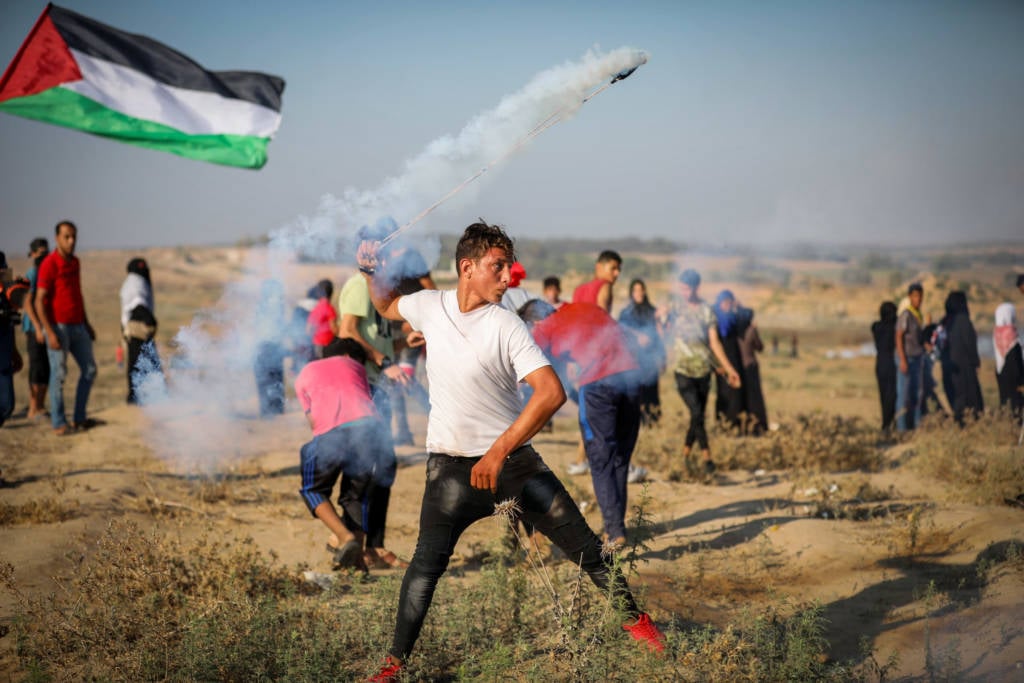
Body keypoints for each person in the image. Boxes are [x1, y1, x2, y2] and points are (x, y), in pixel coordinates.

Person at [357, 222, 665, 681]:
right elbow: (384, 304)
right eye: (497, 267)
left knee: (588, 553)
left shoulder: (505, 323)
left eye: (507, 267)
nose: (508, 278)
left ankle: (650, 638)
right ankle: (392, 666)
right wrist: (368, 271)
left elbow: (550, 393)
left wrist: (499, 451)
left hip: (514, 465)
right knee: (425, 568)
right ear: (467, 268)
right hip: (448, 470)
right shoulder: (430, 306)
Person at [525, 300, 643, 546]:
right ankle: (617, 528)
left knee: (600, 460)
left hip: (599, 385)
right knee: (620, 457)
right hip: (632, 378)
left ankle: (614, 531)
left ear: (533, 321)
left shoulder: (543, 328)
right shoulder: (586, 307)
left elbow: (531, 369)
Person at [337, 221, 414, 568]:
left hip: (378, 386)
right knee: (364, 468)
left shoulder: (381, 290)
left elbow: (381, 336)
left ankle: (372, 546)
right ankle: (355, 545)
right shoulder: (358, 285)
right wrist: (385, 362)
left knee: (382, 465)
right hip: (362, 386)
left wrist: (402, 344)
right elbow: (347, 332)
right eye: (386, 246)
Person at [295, 337, 397, 571]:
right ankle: (357, 565)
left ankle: (345, 537)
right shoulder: (358, 368)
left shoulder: (306, 372)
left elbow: (314, 422)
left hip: (332, 435)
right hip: (369, 433)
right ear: (352, 358)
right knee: (355, 496)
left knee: (313, 490)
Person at [664, 269, 741, 477]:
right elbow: (665, 334)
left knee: (696, 416)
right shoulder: (675, 308)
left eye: (687, 288)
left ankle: (686, 455)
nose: (684, 291)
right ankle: (707, 458)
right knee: (697, 413)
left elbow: (714, 343)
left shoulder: (707, 311)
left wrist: (729, 369)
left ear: (696, 288)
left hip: (703, 370)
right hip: (682, 370)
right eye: (681, 287)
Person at [35, 221, 97, 435]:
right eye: (66, 237)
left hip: (78, 325)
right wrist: (49, 331)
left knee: (89, 369)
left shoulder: (75, 263)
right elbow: (39, 300)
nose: (71, 241)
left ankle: (79, 418)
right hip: (58, 327)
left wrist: (87, 323)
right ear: (57, 238)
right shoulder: (49, 264)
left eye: (73, 237)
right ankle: (59, 422)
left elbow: (77, 294)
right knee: (59, 375)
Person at [618, 278, 665, 426]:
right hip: (633, 360)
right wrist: (638, 336)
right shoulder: (625, 313)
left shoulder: (652, 311)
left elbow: (660, 336)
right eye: (635, 290)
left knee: (651, 394)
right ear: (631, 293)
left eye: (641, 290)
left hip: (650, 360)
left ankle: (652, 425)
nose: (639, 293)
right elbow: (621, 331)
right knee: (635, 395)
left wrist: (662, 357)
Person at [119, 258, 161, 405]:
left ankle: (138, 395)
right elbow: (138, 304)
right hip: (138, 328)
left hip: (131, 328)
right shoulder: (137, 282)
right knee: (144, 362)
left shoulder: (129, 282)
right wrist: (151, 320)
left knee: (136, 361)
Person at [942, 291, 983, 426]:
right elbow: (970, 343)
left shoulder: (945, 321)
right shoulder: (963, 320)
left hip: (948, 366)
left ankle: (959, 423)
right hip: (963, 366)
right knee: (970, 398)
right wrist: (975, 361)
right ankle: (969, 424)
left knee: (956, 396)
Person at [22, 238, 50, 419]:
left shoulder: (46, 272)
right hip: (33, 328)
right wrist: (38, 327)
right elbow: (27, 303)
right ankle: (33, 408)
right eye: (40, 253)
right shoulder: (32, 273)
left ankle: (41, 406)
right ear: (32, 254)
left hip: (47, 327)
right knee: (36, 367)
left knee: (47, 368)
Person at [253, 279, 287, 417]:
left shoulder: (269, 306)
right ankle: (272, 409)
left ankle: (271, 409)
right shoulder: (274, 306)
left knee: (271, 378)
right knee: (271, 378)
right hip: (269, 346)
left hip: (268, 346)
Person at [895, 283, 926, 432]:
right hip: (907, 359)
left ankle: (916, 428)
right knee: (903, 396)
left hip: (917, 358)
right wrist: (902, 359)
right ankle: (901, 430)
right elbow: (899, 336)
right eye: (915, 296)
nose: (918, 299)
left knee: (917, 395)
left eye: (920, 296)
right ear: (909, 297)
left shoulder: (918, 315)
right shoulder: (906, 315)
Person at [712, 290, 745, 431]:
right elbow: (713, 345)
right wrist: (717, 365)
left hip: (735, 360)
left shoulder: (734, 319)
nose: (727, 305)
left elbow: (749, 314)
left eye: (729, 302)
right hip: (721, 363)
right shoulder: (715, 321)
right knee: (723, 393)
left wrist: (739, 306)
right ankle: (722, 424)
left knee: (736, 394)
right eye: (724, 302)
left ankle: (735, 425)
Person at [0, 251, 25, 427]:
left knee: (6, 405)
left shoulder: (6, 281)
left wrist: (14, 350)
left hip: (4, 343)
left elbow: (10, 318)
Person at [735, 303, 768, 435]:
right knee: (755, 398)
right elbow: (760, 347)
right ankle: (757, 427)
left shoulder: (736, 330)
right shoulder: (751, 330)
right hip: (751, 366)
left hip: (738, 367)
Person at [871, 302, 898, 432]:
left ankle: (886, 423)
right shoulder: (892, 328)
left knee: (883, 395)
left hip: (879, 364)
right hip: (890, 363)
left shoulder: (876, 327)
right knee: (891, 395)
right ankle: (888, 423)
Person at [993, 302, 1023, 416]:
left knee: (1006, 403)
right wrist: (1020, 381)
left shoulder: (996, 332)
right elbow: (1014, 358)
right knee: (1016, 406)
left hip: (1001, 374)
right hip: (1013, 377)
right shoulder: (1010, 333)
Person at [305, 279, 337, 359]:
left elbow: (308, 329)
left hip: (315, 344)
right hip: (326, 345)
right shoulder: (329, 308)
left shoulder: (316, 308)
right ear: (331, 292)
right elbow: (334, 328)